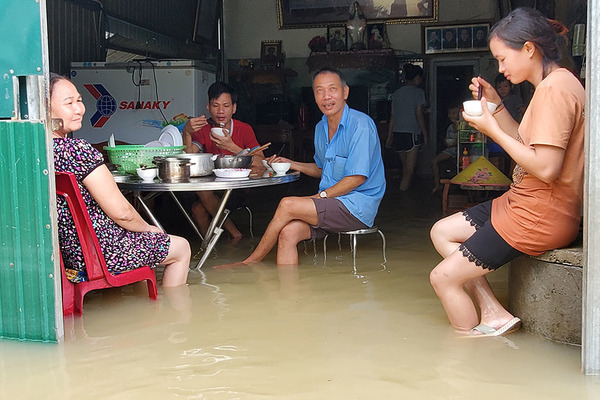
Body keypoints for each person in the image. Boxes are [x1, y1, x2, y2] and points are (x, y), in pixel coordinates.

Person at [429, 7, 585, 336]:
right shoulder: (554, 84)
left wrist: (490, 129)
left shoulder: (554, 90)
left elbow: (545, 167)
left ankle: (466, 363)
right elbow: (525, 142)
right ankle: (492, 311)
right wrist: (496, 105)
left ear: (529, 48)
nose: (500, 67)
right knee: (441, 232)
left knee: (442, 278)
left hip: (540, 213)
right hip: (524, 201)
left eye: (503, 58)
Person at [236, 67, 386, 265]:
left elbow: (357, 178)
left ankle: (249, 263)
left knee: (287, 205)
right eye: (319, 91)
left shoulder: (361, 125)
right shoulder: (321, 127)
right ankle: (289, 293)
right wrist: (290, 163)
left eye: (332, 89)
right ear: (314, 97)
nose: (326, 97)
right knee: (288, 233)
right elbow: (323, 169)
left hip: (356, 207)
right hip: (329, 205)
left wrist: (320, 197)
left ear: (345, 92)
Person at [51, 73, 190, 287]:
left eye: (79, 100)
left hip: (65, 256)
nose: (79, 109)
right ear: (44, 109)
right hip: (100, 254)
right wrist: (148, 229)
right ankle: (172, 314)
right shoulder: (77, 151)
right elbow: (122, 213)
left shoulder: (37, 150)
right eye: (68, 103)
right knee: (181, 247)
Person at [182, 81, 265, 240]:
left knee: (201, 195)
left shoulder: (244, 129)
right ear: (208, 107)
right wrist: (187, 132)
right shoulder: (203, 129)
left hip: (236, 187)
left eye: (226, 106)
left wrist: (233, 147)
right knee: (198, 209)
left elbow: (261, 162)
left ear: (234, 108)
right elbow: (189, 157)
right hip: (210, 185)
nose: (221, 111)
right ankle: (213, 246)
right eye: (215, 105)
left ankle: (229, 238)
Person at [386, 63, 429, 191]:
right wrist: (425, 134)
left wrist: (389, 136)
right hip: (412, 133)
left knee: (405, 169)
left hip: (397, 133)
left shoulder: (397, 93)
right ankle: (403, 198)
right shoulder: (418, 92)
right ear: (416, 78)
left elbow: (392, 115)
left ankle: (401, 195)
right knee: (409, 171)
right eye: (420, 78)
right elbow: (419, 114)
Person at [431, 104, 461, 193]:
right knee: (434, 161)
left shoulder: (464, 125)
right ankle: (437, 184)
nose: (451, 115)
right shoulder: (450, 127)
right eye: (450, 113)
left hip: (463, 150)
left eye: (454, 113)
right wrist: (447, 142)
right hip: (452, 150)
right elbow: (448, 142)